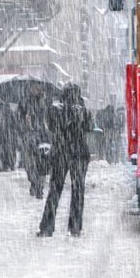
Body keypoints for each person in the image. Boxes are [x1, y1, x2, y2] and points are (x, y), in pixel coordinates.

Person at [38, 84, 93, 237]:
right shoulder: (81, 111)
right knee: (78, 190)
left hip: (62, 153)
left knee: (55, 190)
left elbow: (51, 126)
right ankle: (75, 227)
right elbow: (90, 127)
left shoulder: (57, 110)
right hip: (78, 154)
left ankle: (47, 227)